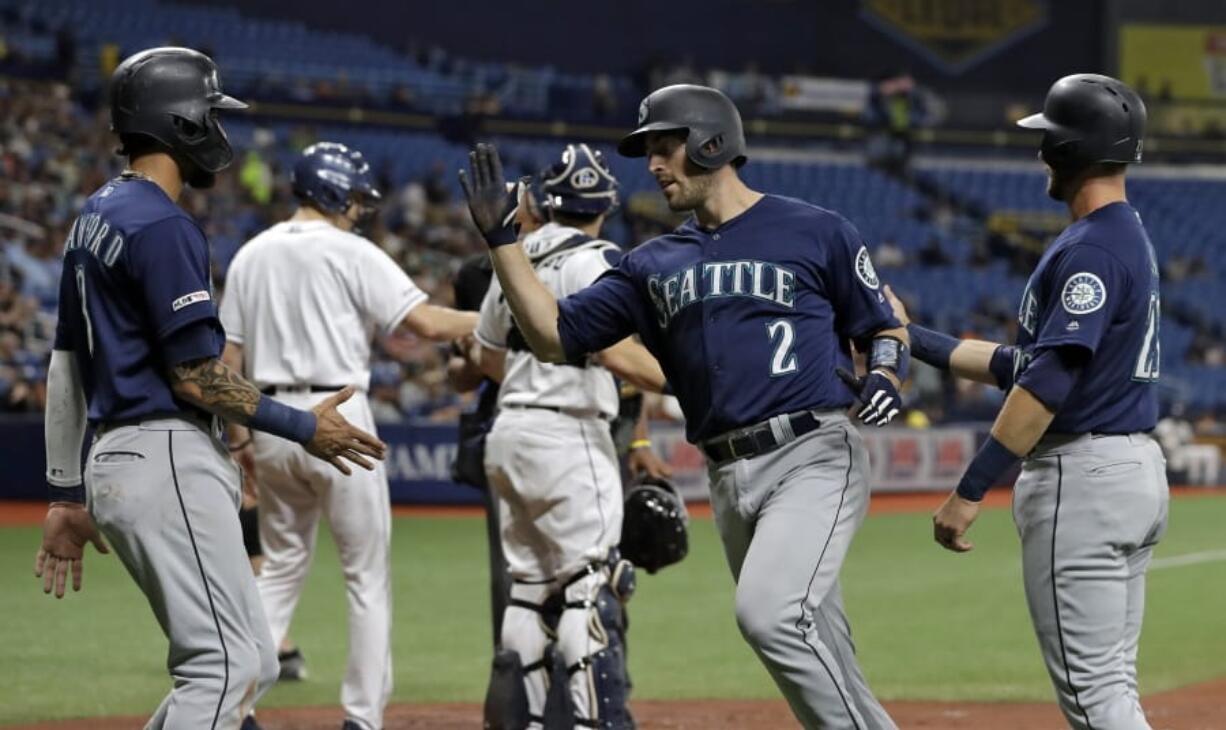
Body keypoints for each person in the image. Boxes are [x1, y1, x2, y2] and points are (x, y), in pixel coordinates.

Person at [460, 86, 907, 730]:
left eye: (665, 147)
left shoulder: (816, 230)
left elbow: (883, 325)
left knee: (769, 615)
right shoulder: (651, 263)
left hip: (814, 452)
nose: (654, 164)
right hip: (725, 472)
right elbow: (552, 336)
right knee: (815, 638)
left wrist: (888, 372)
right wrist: (503, 243)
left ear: (712, 143)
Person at [35, 47, 385, 730]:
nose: (219, 131)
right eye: (211, 114)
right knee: (221, 667)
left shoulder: (92, 218)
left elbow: (65, 365)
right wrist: (305, 426)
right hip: (164, 456)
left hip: (119, 461)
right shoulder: (162, 224)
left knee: (247, 656)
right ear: (181, 122)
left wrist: (62, 491)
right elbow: (195, 375)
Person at [898, 74, 1165, 729]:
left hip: (1083, 480)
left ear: (1074, 150)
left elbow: (1044, 387)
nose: (1040, 153)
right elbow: (1025, 364)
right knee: (1112, 689)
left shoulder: (1094, 248)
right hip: (1125, 471)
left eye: (1048, 140)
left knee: (1095, 697)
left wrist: (969, 489)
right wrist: (910, 339)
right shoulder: (1121, 237)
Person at [218, 141, 477, 730]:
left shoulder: (250, 254)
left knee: (279, 567)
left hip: (270, 418)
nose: (360, 207)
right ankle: (362, 718)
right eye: (356, 196)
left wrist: (239, 441)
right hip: (339, 414)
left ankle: (233, 706)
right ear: (333, 190)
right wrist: (501, 317)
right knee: (365, 576)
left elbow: (226, 360)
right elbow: (428, 324)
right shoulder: (349, 249)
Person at [468, 143, 667, 729]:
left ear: (543, 200)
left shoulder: (516, 255)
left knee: (528, 590)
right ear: (606, 203)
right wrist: (690, 385)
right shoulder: (600, 258)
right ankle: (591, 722)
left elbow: (485, 354)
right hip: (570, 431)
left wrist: (533, 380)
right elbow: (616, 351)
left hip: (510, 430)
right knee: (591, 585)